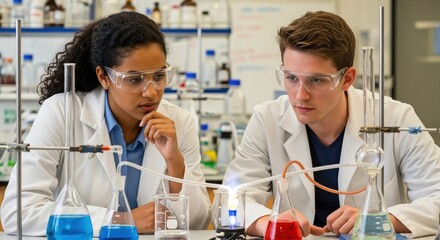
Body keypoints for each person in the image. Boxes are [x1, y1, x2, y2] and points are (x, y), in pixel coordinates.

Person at [222, 11, 440, 238]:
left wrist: (380, 218)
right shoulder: (267, 119)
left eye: (316, 80)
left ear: (347, 79)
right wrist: (270, 222)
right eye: (291, 78)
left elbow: (437, 196)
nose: (300, 96)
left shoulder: (395, 118)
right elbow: (231, 201)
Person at [1, 11, 210, 236]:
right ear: (104, 77)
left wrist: (174, 162)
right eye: (134, 79)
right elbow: (19, 213)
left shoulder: (179, 122)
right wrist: (120, 220)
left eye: (158, 77)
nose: (151, 92)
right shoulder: (61, 112)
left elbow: (198, 223)